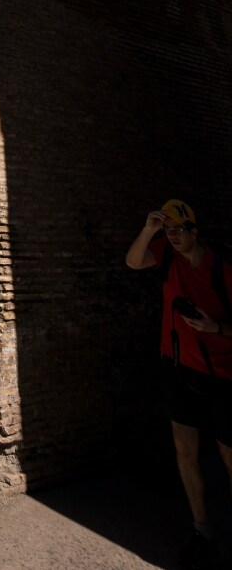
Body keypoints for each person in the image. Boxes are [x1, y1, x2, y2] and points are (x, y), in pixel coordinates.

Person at [126, 200, 232, 568]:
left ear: (195, 232)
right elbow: (133, 262)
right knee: (186, 453)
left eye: (178, 230)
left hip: (222, 375)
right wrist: (149, 229)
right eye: (168, 230)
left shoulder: (223, 270)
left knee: (228, 456)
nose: (173, 236)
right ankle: (203, 532)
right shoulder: (165, 256)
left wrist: (216, 328)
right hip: (178, 369)